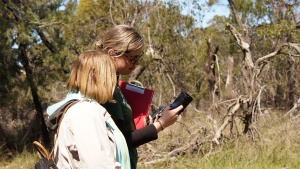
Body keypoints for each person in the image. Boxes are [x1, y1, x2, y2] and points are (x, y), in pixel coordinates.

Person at [94, 24, 183, 169]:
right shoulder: (105, 88)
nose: (137, 63)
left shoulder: (113, 82)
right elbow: (122, 141)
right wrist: (160, 125)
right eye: (132, 58)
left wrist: (145, 125)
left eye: (138, 57)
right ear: (112, 54)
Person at [48, 50, 130, 169]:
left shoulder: (81, 109)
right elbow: (99, 166)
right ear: (99, 78)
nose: (114, 82)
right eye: (111, 75)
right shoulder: (86, 113)